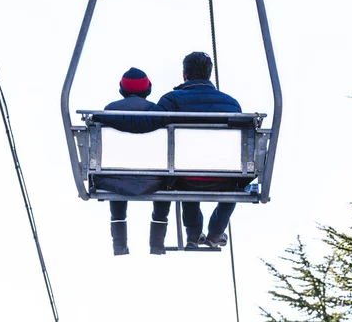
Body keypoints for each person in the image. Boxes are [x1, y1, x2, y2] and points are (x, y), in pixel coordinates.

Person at [95, 52, 244, 249]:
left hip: (186, 176)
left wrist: (104, 117)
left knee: (183, 173)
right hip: (227, 177)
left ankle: (193, 233)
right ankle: (216, 231)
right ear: (209, 74)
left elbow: (146, 123)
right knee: (230, 181)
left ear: (184, 75)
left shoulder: (173, 100)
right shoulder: (232, 104)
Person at [92, 67, 171, 256]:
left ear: (122, 90)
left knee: (115, 176)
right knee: (169, 180)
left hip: (114, 179)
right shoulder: (156, 111)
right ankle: (157, 244)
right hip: (155, 180)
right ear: (147, 90)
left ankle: (119, 244)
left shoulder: (110, 110)